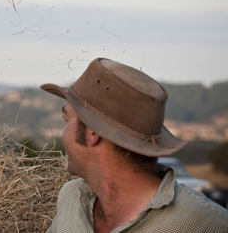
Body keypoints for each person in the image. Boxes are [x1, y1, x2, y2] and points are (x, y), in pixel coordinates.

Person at [41, 58, 228, 233]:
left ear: (92, 132)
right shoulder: (72, 198)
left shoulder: (208, 224)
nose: (63, 133)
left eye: (67, 119)